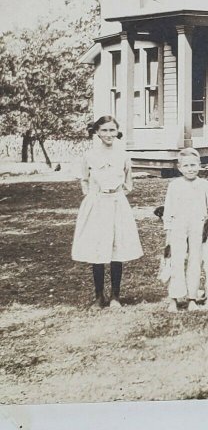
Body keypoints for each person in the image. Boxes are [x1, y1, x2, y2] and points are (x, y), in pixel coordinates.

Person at [71, 115, 143, 309]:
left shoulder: (123, 155)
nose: (108, 134)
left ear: (117, 131)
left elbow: (128, 183)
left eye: (112, 130)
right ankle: (98, 296)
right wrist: (93, 197)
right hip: (97, 205)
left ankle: (115, 296)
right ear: (97, 132)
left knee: (116, 248)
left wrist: (116, 194)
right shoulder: (89, 156)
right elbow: (84, 180)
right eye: (104, 130)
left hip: (117, 203)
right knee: (98, 249)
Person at [163, 147, 208, 313]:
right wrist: (169, 230)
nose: (190, 169)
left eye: (194, 165)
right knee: (176, 261)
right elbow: (168, 210)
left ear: (200, 165)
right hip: (178, 226)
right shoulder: (174, 185)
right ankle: (174, 298)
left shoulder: (205, 185)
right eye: (186, 166)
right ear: (179, 167)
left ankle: (192, 298)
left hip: (198, 226)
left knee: (195, 260)